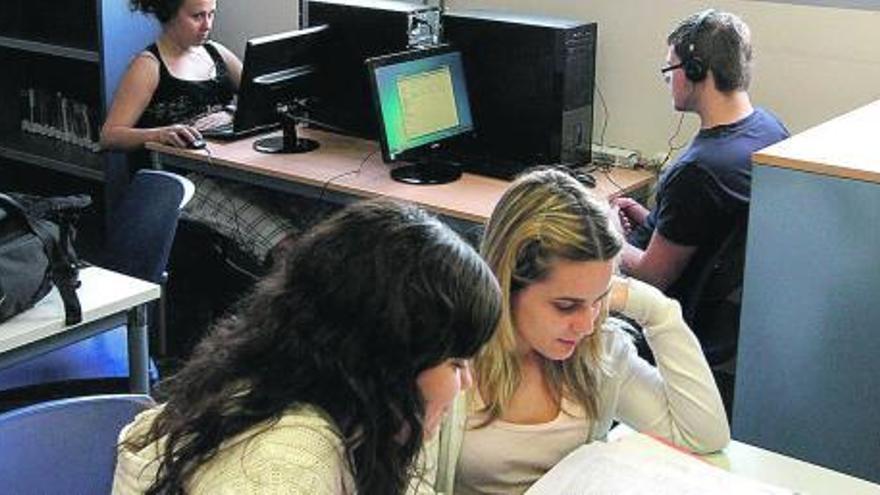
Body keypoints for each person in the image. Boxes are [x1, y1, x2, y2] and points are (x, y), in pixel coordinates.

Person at [111, 198, 502, 494]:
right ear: (389, 360)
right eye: (455, 363)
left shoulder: (330, 408)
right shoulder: (284, 470)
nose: (466, 382)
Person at [427, 168, 729, 494]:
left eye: (600, 299)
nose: (586, 325)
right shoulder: (447, 362)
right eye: (566, 306)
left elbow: (703, 436)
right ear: (506, 283)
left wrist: (655, 309)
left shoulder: (599, 350)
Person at [100, 0, 301, 266]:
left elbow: (261, 100)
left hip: (227, 168)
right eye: (197, 16)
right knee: (286, 244)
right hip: (183, 178)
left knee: (312, 224)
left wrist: (233, 112)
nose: (207, 25)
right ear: (169, 14)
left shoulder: (215, 53)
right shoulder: (148, 66)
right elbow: (109, 136)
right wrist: (158, 134)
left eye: (211, 14)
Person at [612, 10, 789, 305]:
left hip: (667, 318)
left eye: (671, 67)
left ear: (695, 70)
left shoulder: (698, 171)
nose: (668, 78)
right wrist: (649, 217)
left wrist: (610, 232)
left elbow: (652, 275)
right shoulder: (770, 129)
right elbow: (705, 233)